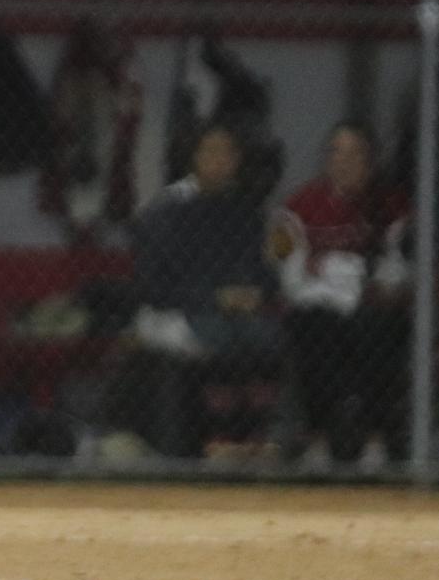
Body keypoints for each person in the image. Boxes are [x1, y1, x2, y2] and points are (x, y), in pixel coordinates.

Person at [96, 123, 279, 462]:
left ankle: (253, 438)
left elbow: (265, 274)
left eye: (227, 153)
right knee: (219, 337)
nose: (219, 161)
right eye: (210, 151)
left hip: (229, 312)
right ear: (193, 157)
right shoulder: (167, 210)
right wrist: (214, 299)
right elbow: (154, 289)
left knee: (264, 337)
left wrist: (252, 293)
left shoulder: (246, 210)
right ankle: (217, 439)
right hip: (173, 312)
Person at [271, 122, 411, 470]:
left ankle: (375, 439)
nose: (344, 161)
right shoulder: (299, 204)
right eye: (336, 151)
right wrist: (327, 283)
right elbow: (290, 273)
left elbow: (399, 271)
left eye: (354, 153)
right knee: (312, 330)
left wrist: (366, 285)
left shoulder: (392, 205)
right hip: (319, 309)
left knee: (379, 329)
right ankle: (321, 437)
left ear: (371, 161)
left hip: (372, 308)